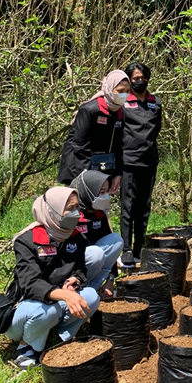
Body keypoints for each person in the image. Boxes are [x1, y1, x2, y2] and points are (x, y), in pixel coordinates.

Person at [5, 187, 101, 370]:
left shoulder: (76, 236)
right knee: (46, 312)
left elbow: (80, 268)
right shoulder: (27, 241)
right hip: (28, 307)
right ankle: (26, 347)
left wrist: (75, 280)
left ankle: (58, 337)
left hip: (54, 303)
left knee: (90, 296)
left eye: (76, 207)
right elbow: (30, 284)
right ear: (52, 211)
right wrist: (65, 296)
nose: (76, 213)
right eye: (69, 209)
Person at [58, 70, 130, 193]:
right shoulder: (89, 109)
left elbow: (118, 146)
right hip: (80, 167)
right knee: (78, 207)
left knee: (100, 208)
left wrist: (117, 173)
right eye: (120, 91)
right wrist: (89, 177)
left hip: (103, 167)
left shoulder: (120, 112)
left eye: (127, 91)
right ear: (109, 88)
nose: (124, 95)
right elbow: (79, 145)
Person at [119, 62, 162, 268]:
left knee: (144, 208)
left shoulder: (156, 102)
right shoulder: (124, 102)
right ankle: (126, 249)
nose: (139, 81)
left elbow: (157, 129)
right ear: (129, 80)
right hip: (128, 161)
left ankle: (138, 248)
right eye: (135, 78)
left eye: (142, 77)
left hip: (149, 161)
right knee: (128, 207)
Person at [70, 170, 123, 297]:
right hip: (73, 268)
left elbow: (111, 251)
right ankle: (79, 289)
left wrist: (110, 279)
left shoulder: (98, 213)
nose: (105, 196)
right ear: (88, 191)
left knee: (116, 240)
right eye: (102, 192)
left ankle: (94, 287)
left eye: (106, 191)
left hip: (94, 263)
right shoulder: (71, 216)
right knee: (95, 254)